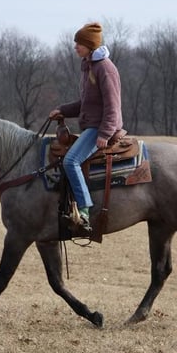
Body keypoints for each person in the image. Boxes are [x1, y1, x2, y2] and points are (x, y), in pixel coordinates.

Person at [49, 22, 123, 235]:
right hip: (93, 125)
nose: (75, 47)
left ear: (89, 45)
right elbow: (85, 104)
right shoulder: (89, 66)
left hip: (100, 127)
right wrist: (62, 110)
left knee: (71, 161)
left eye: (78, 43)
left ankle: (83, 210)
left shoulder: (104, 68)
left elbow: (113, 105)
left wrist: (105, 133)